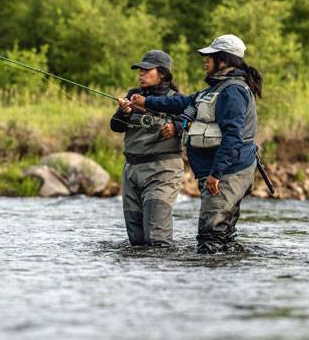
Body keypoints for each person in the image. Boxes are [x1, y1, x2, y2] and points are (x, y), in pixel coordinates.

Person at [127, 35, 262, 254]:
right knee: (222, 238)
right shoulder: (215, 89)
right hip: (219, 172)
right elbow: (180, 102)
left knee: (210, 239)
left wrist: (216, 174)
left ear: (224, 60)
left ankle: (211, 282)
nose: (205, 61)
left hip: (227, 173)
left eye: (210, 56)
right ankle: (228, 270)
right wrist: (145, 101)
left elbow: (233, 137)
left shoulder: (233, 91)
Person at [110, 50, 185, 247]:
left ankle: (159, 275)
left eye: (146, 70)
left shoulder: (177, 100)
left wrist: (177, 127)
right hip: (132, 171)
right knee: (136, 239)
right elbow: (116, 126)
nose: (140, 74)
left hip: (163, 170)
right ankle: (137, 278)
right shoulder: (132, 96)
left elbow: (192, 121)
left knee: (156, 237)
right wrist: (124, 112)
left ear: (162, 74)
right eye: (140, 71)